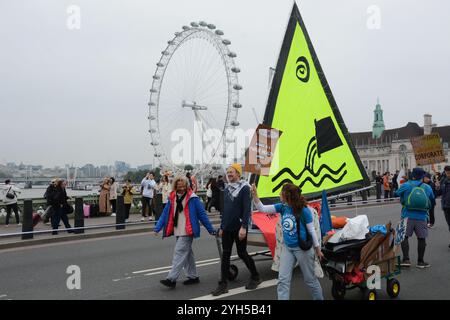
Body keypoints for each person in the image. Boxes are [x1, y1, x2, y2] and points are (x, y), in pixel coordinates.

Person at [251, 182, 324, 300]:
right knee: (283, 280)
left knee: (310, 280)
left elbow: (312, 231)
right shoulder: (283, 207)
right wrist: (255, 195)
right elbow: (262, 208)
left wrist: (317, 249)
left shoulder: (304, 210)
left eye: (281, 192)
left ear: (287, 195)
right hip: (288, 248)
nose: (279, 194)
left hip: (302, 249)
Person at [154, 175, 216, 288]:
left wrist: (211, 229)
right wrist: (157, 227)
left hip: (188, 230)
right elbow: (165, 214)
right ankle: (193, 276)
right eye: (179, 186)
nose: (181, 188)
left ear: (187, 185)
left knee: (179, 252)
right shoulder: (172, 198)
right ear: (175, 186)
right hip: (178, 229)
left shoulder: (193, 198)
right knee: (187, 254)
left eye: (183, 186)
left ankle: (171, 279)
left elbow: (202, 215)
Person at [211, 163, 261, 296]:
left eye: (231, 172)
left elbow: (246, 209)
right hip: (227, 227)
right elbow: (225, 210)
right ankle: (223, 285)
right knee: (225, 255)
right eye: (228, 172)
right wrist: (222, 227)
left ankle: (255, 276)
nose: (229, 174)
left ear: (238, 173)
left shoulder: (245, 188)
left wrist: (244, 227)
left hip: (239, 227)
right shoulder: (227, 189)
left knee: (242, 253)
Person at [395, 167, 435, 268]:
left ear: (412, 175)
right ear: (422, 177)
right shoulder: (427, 187)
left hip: (407, 215)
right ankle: (420, 262)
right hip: (422, 216)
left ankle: (406, 260)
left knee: (404, 237)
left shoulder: (406, 185)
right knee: (421, 238)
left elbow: (395, 193)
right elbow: (432, 201)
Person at [436, 165, 450, 248]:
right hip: (446, 206)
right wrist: (437, 187)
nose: (448, 174)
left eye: (449, 172)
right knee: (449, 224)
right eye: (447, 172)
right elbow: (439, 193)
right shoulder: (443, 181)